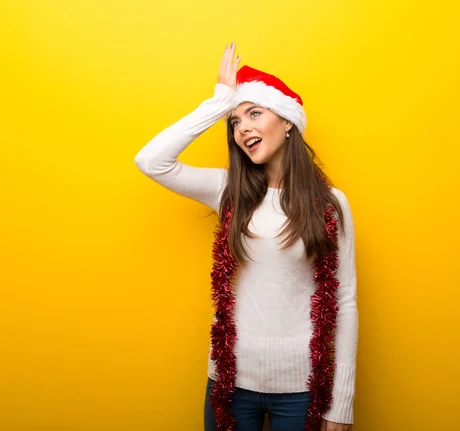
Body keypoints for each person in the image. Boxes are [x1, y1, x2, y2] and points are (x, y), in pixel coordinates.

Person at [134, 42, 358, 431]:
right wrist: (220, 102)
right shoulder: (228, 190)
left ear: (288, 122)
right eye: (235, 122)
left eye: (254, 113)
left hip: (303, 388)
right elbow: (151, 161)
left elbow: (346, 300)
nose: (243, 128)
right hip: (230, 383)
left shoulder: (330, 204)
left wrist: (341, 403)